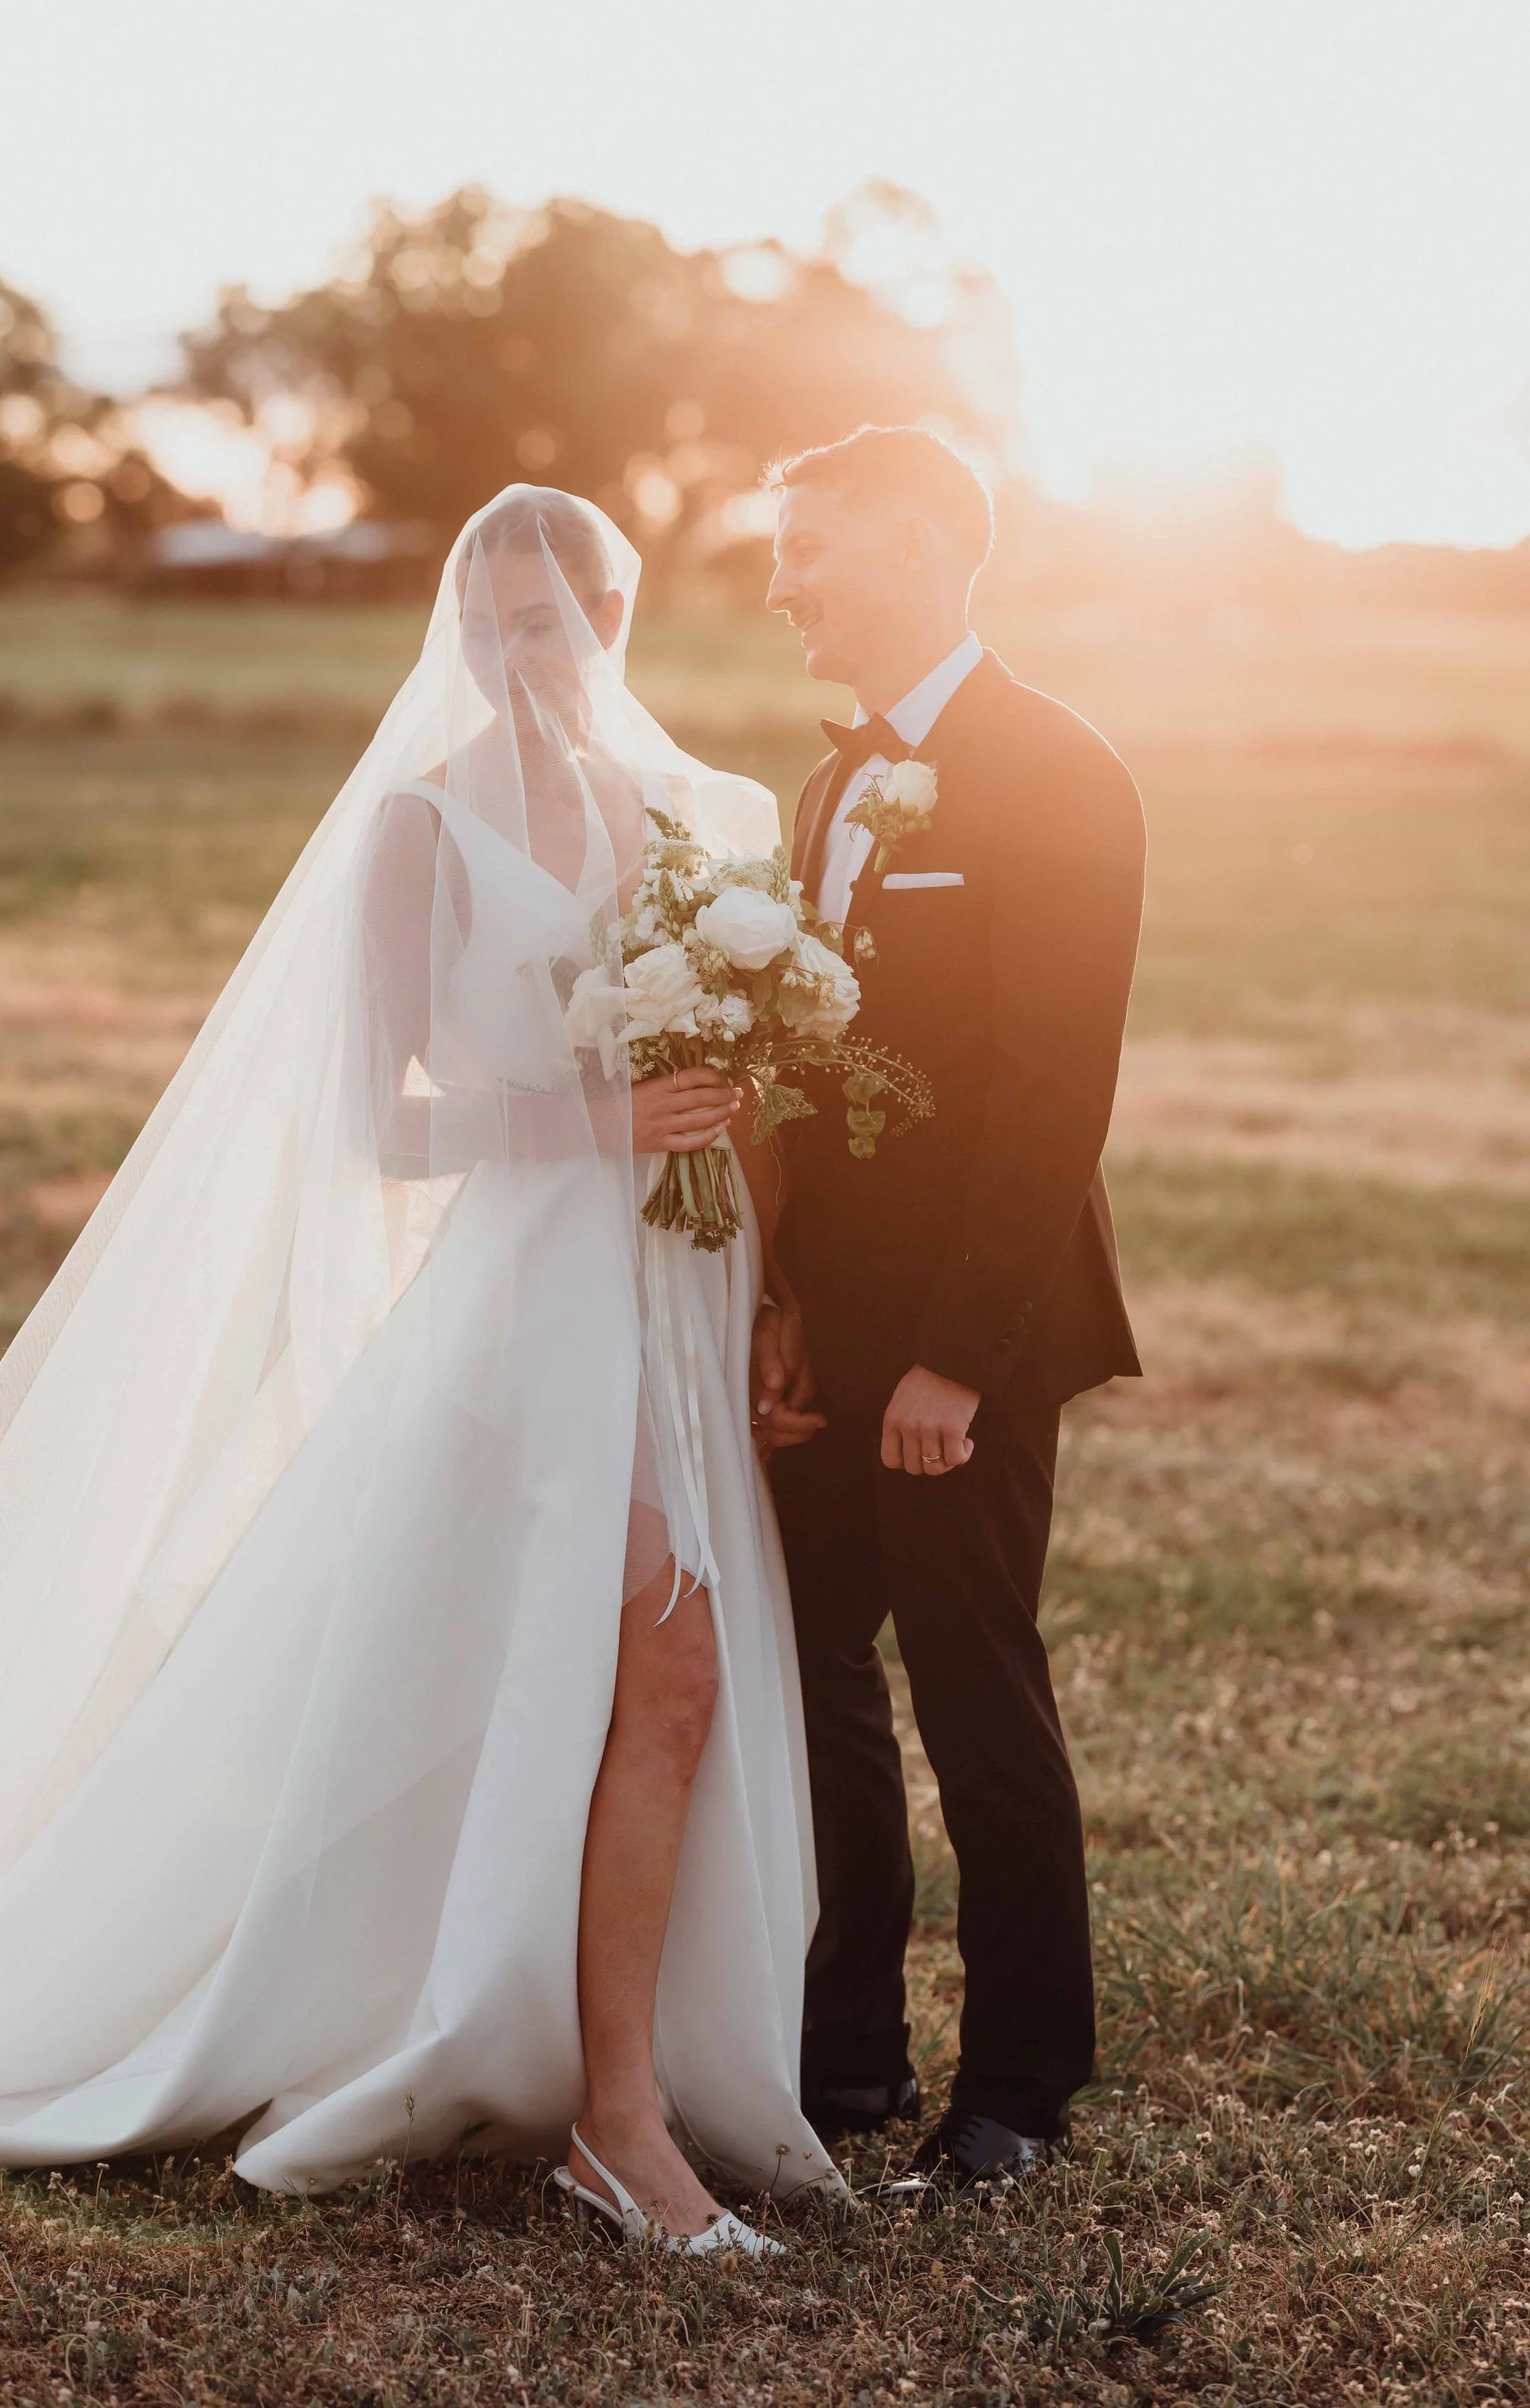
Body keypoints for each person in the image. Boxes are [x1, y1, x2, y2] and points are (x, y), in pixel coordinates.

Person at [0, 486, 838, 2250]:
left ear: (613, 616)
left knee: (664, 1681)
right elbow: (380, 1126)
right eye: (495, 623)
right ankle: (606, 2114)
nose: (527, 656)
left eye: (555, 619)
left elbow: (755, 1079)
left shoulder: (684, 816)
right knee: (597, 1669)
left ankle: (608, 2078)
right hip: (531, 1302)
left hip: (679, 1282)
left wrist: (773, 1279)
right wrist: (601, 1116)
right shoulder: (420, 830)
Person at [756, 425, 1145, 2191]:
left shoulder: (1060, 773)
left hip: (960, 1341)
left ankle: (1016, 2091)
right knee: (814, 1665)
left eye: (808, 548)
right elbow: (802, 1072)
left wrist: (947, 1361)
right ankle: (842, 2059)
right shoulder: (829, 788)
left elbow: (1047, 1101)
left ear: (913, 546)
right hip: (823, 1329)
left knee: (973, 1686)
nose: (779, 584)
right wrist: (778, 1307)